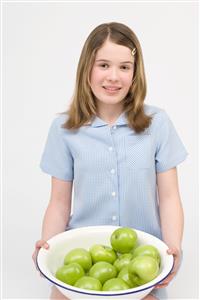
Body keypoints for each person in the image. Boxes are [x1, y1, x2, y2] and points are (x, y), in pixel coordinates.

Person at [32, 22, 187, 300]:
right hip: (83, 264)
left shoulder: (158, 123)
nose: (113, 76)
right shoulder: (63, 129)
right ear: (86, 69)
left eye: (124, 67)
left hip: (142, 260)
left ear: (135, 73)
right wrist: (48, 246)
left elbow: (170, 197)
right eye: (103, 65)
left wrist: (173, 246)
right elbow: (58, 202)